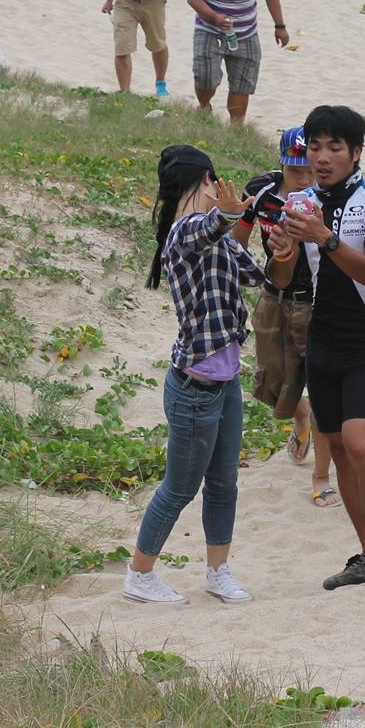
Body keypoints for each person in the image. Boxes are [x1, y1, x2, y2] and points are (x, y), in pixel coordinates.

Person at [277, 105, 365, 589]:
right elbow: (281, 278)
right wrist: (282, 252)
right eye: (314, 147)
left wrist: (324, 237)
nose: (321, 157)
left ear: (356, 152)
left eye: (334, 147)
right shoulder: (299, 202)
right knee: (337, 450)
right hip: (323, 339)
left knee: (361, 445)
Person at [121, 145, 261, 605]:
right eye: (214, 181)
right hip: (195, 388)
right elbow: (205, 228)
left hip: (226, 381)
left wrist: (284, 245)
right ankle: (140, 575)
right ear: (203, 181)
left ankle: (218, 572)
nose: (218, 188)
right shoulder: (184, 232)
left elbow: (257, 277)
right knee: (179, 487)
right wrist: (228, 215)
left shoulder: (216, 237)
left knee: (224, 483)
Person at [239, 127, 333, 506]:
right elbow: (238, 239)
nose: (305, 180)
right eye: (296, 171)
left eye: (310, 171)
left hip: (318, 302)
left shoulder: (329, 200)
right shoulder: (261, 193)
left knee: (324, 388)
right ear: (281, 165)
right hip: (273, 296)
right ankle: (300, 413)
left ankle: (322, 475)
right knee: (269, 385)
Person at [186, 0, 289, 125]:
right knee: (205, 76)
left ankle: (236, 127)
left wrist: (280, 26)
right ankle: (204, 106)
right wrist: (215, 17)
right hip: (211, 31)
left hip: (246, 33)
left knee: (242, 83)